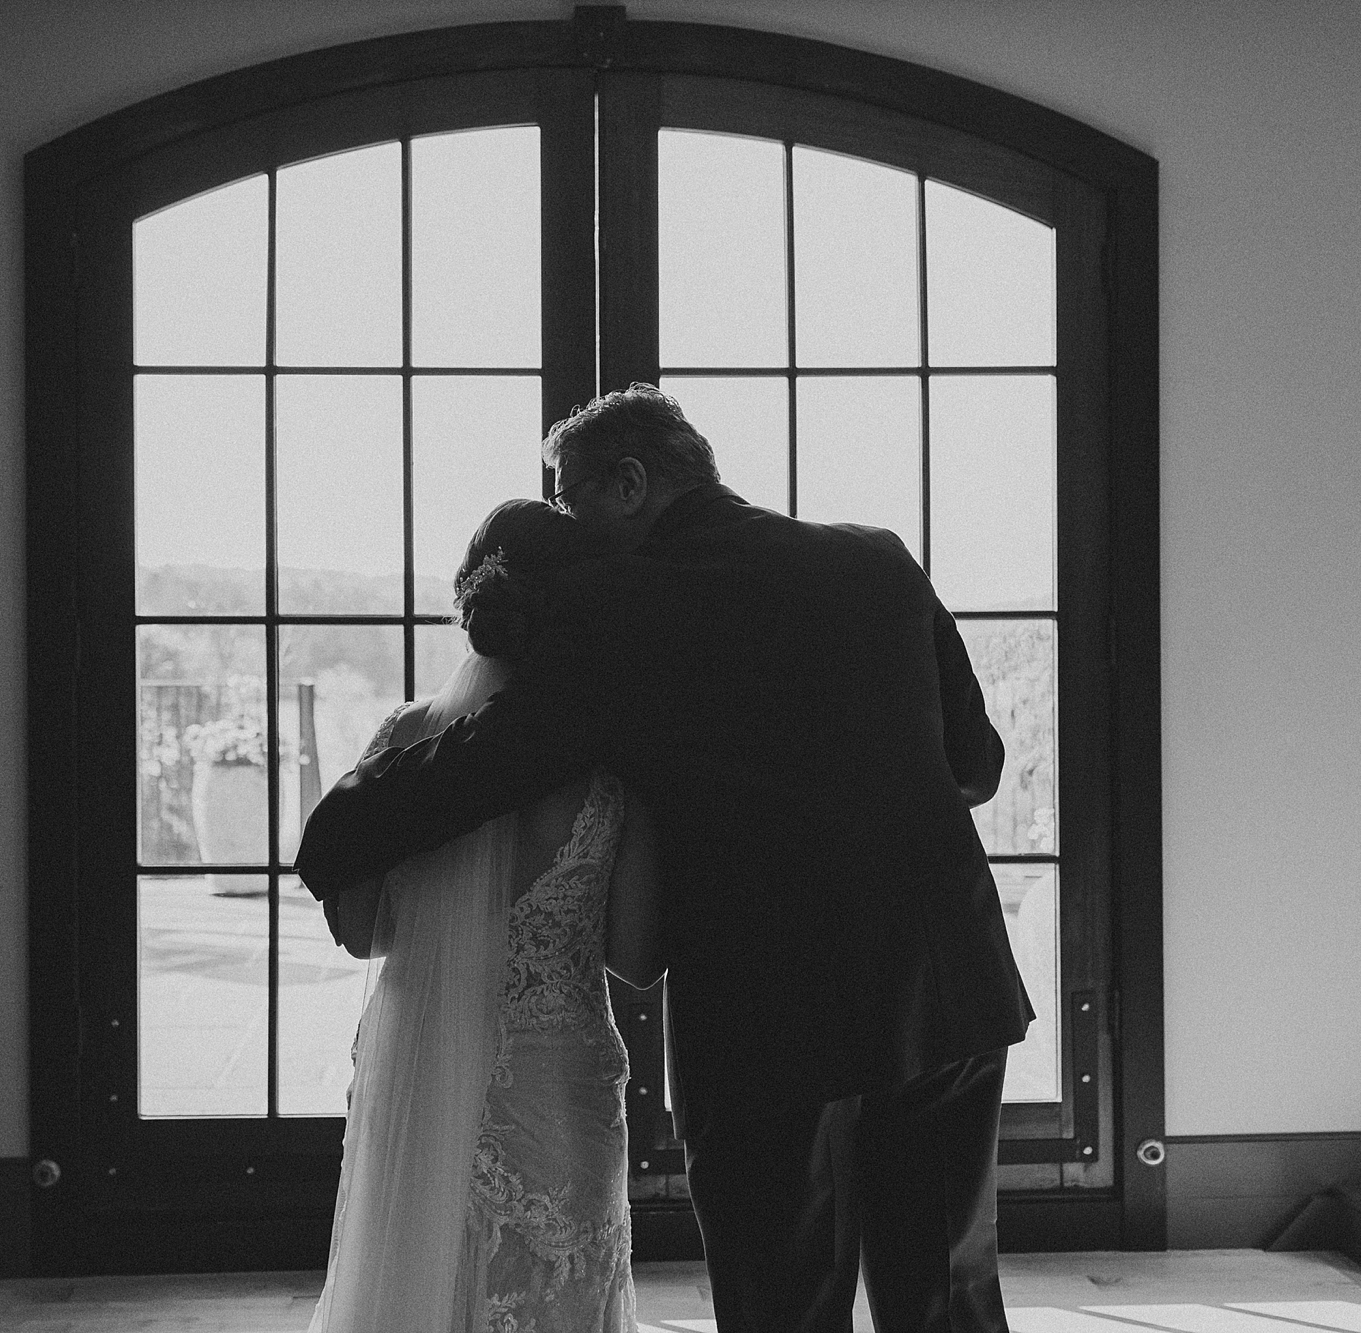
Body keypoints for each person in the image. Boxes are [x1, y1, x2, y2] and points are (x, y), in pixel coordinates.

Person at [298, 386, 1033, 1333]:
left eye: (569, 499)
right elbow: (976, 767)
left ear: (631, 481)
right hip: (944, 983)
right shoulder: (876, 557)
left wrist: (338, 832)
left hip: (771, 1014)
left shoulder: (619, 604)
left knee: (786, 1306)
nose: (565, 529)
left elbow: (499, 758)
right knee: (948, 1300)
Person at [309, 499, 664, 1333]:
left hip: (419, 1069)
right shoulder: (611, 763)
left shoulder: (406, 736)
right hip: (554, 1085)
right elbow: (639, 956)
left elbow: (364, 933)